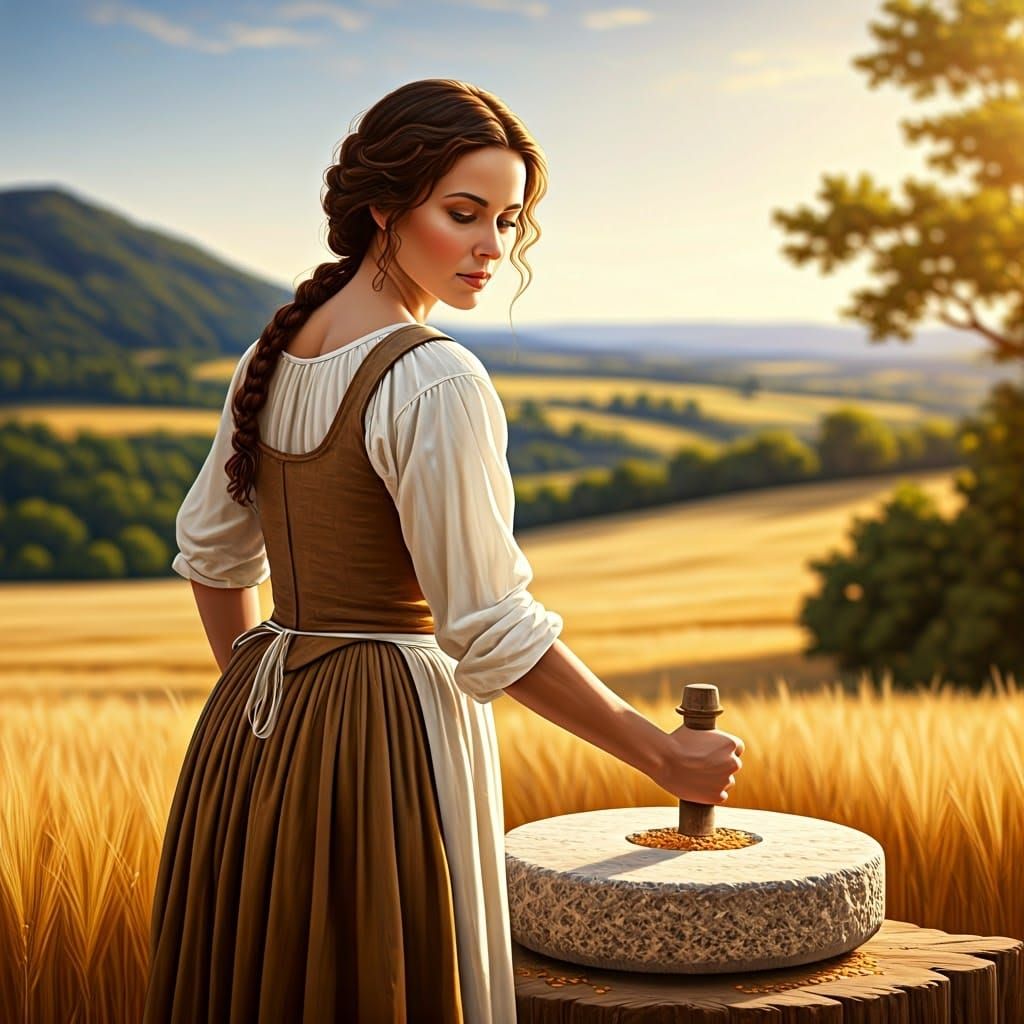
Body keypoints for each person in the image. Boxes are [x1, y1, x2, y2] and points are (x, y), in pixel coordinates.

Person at [142, 78, 744, 1024]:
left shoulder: (280, 345)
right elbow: (490, 630)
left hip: (248, 736)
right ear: (385, 206)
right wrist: (660, 755)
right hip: (389, 733)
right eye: (464, 214)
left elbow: (214, 559)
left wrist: (279, 714)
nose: (492, 249)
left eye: (508, 220)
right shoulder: (434, 376)